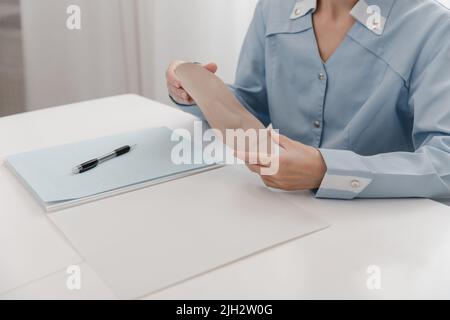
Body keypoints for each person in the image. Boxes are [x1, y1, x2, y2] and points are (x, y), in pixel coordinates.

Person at [166, 0, 450, 200]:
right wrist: (196, 90)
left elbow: (444, 162)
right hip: (283, 211)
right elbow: (252, 103)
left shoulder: (433, 28)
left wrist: (327, 170)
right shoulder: (273, 8)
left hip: (384, 230)